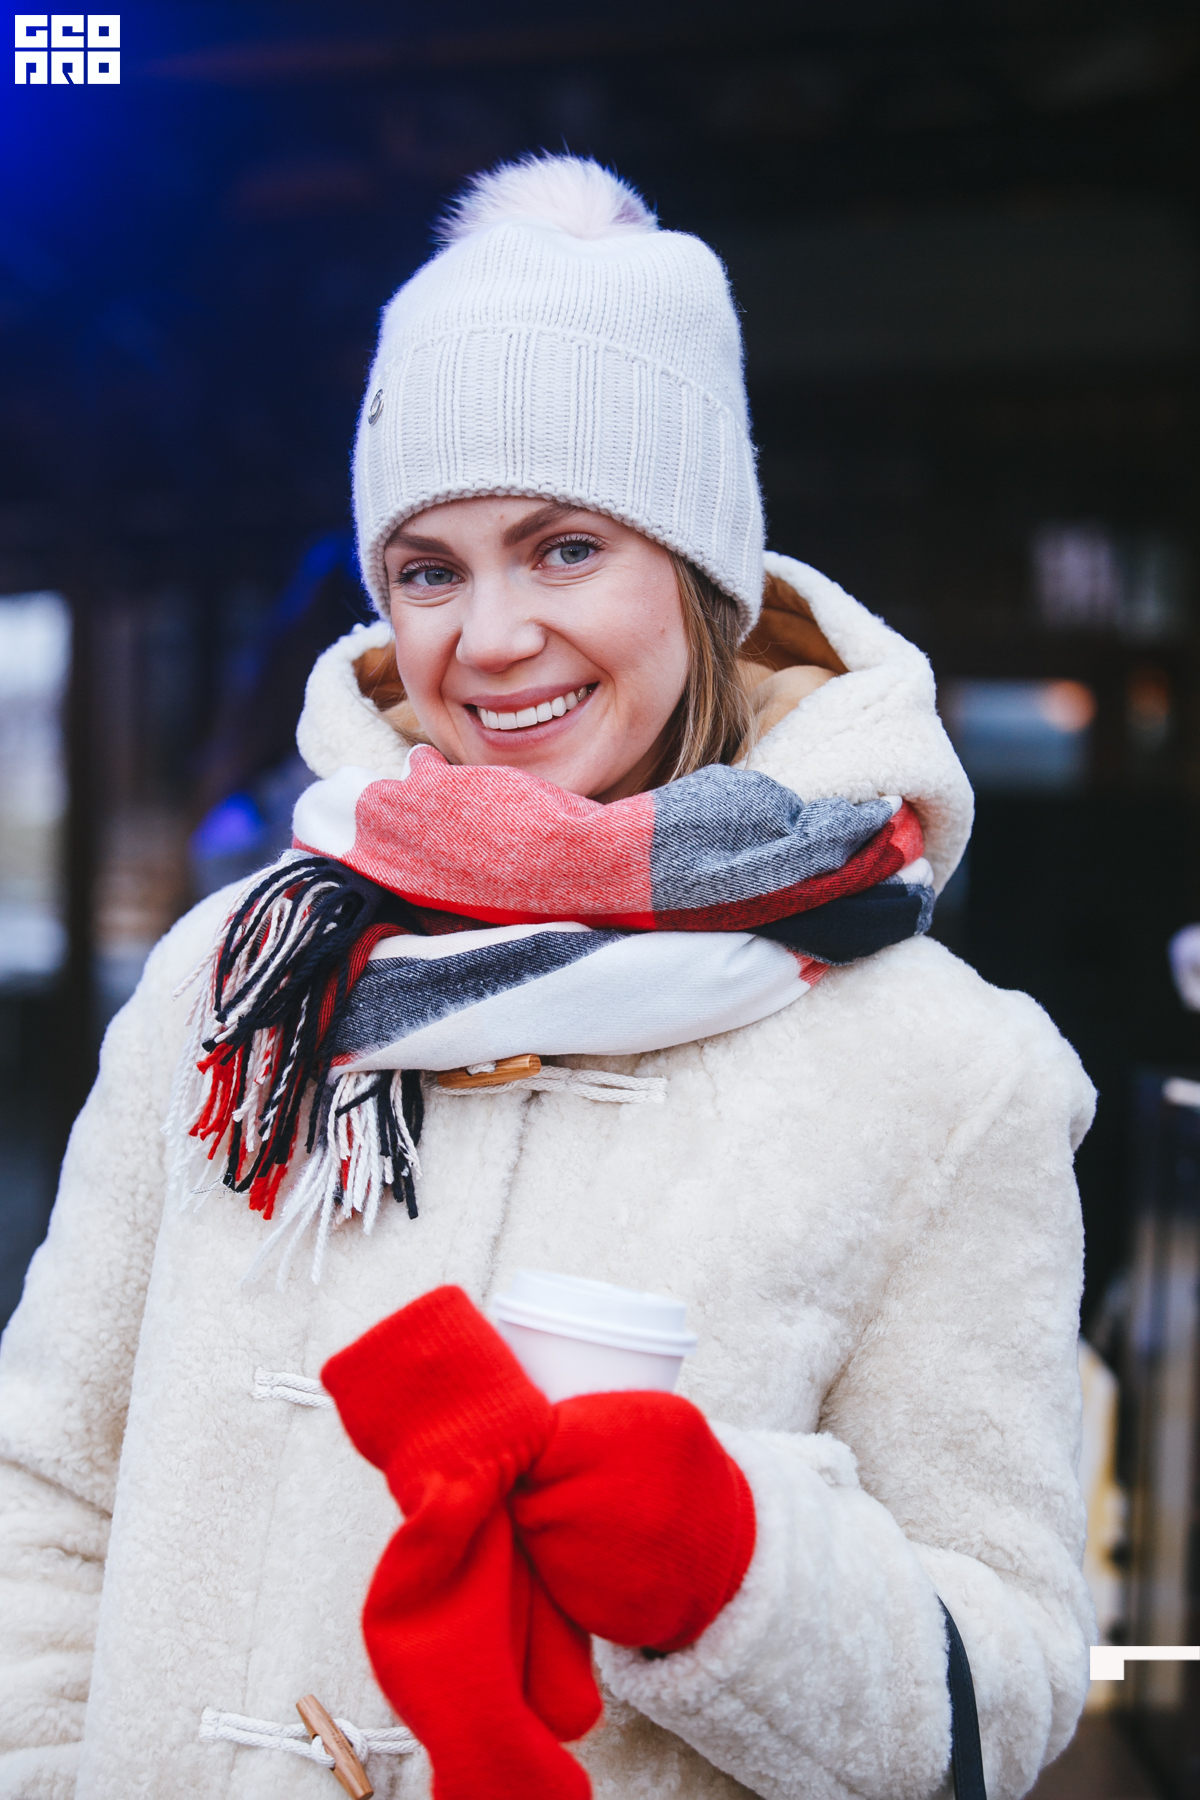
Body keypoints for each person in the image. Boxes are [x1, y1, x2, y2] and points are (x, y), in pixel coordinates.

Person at [0, 155, 1094, 1800]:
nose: (491, 636)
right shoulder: (241, 981)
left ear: (703, 576)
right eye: (429, 570)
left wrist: (737, 1578)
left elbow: (1007, 1691)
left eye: (565, 546)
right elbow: (42, 1498)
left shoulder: (951, 1073)